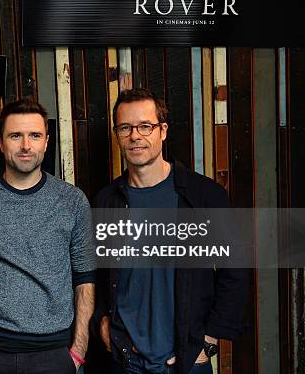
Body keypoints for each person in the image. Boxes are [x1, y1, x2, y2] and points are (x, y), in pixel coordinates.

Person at [93, 88, 248, 374]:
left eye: (145, 126)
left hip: (187, 362)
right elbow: (100, 274)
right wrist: (102, 320)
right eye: (125, 127)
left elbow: (234, 271)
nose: (135, 136)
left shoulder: (204, 196)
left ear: (162, 131)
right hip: (126, 361)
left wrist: (207, 342)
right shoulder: (106, 200)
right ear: (117, 134)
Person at [0, 99, 95, 374]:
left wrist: (78, 350)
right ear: (1, 143)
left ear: (46, 142)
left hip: (53, 353)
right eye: (16, 135)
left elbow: (84, 277)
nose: (26, 145)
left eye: (35, 135)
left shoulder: (72, 201)